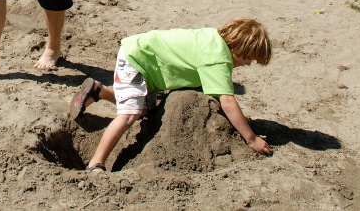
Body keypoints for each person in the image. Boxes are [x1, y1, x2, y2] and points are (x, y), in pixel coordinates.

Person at [70, 18, 273, 173]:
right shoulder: (218, 59)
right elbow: (227, 101)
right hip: (137, 59)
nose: (248, 64)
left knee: (147, 110)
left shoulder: (213, 40)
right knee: (130, 114)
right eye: (251, 59)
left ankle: (99, 91)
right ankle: (96, 163)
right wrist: (251, 139)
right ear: (241, 50)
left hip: (147, 61)